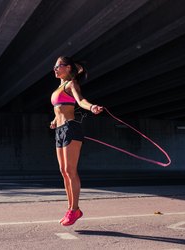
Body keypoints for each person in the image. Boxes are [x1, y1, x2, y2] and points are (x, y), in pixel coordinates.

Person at [50, 56, 103, 226]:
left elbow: (80, 101)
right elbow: (60, 109)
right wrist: (54, 120)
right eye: (55, 66)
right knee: (63, 171)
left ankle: (75, 209)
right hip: (59, 130)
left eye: (58, 66)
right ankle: (71, 209)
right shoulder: (59, 87)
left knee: (70, 170)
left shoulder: (71, 84)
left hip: (71, 129)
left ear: (67, 68)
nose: (55, 69)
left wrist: (92, 107)